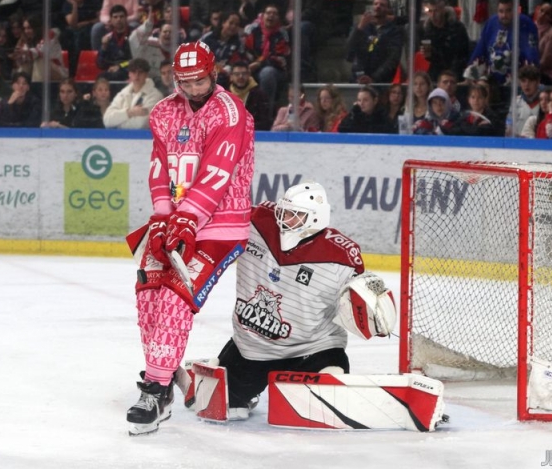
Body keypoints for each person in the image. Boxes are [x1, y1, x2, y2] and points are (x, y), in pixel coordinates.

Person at [126, 40, 255, 436]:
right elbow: (159, 169)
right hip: (178, 220)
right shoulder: (164, 112)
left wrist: (187, 220)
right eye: (185, 82)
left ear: (213, 73)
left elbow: (217, 172)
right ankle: (163, 373)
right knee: (148, 290)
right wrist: (164, 218)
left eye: (199, 80)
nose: (193, 88)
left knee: (175, 296)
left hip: (220, 223)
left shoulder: (231, 112)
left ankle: (155, 389)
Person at [206, 182, 370, 421]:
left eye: (296, 215)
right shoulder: (256, 223)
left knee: (320, 409)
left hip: (311, 349)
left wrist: (372, 308)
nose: (285, 219)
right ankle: (240, 386)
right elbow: (217, 222)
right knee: (221, 408)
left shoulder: (341, 256)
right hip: (252, 348)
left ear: (316, 218)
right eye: (284, 211)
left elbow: (361, 298)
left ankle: (328, 375)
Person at [463, 0, 539, 88]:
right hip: (491, 79)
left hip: (517, 81)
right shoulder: (491, 23)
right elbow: (480, 51)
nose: (504, 15)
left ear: (516, 10)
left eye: (508, 11)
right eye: (501, 11)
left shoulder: (526, 24)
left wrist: (527, 80)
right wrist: (470, 77)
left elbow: (531, 55)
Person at [242, 4, 291, 118]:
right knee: (238, 72)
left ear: (278, 18)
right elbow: (246, 50)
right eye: (269, 13)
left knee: (267, 73)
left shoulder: (282, 34)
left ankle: (264, 114)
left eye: (275, 14)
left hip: (276, 70)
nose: (271, 16)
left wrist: (259, 63)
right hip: (251, 67)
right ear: (262, 16)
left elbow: (279, 58)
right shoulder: (253, 31)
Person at [345, 0, 404, 84]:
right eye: (375, 4)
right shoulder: (361, 27)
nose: (378, 6)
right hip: (357, 79)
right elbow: (349, 51)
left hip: (381, 82)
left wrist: (374, 78)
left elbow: (392, 59)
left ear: (388, 10)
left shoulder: (394, 31)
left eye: (382, 5)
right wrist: (359, 28)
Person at [419, 0, 470, 84]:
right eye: (430, 11)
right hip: (436, 73)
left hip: (456, 72)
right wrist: (428, 54)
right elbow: (432, 60)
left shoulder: (457, 28)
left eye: (436, 11)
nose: (433, 15)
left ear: (443, 10)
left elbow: (462, 55)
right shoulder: (427, 30)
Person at [103, 58, 163, 129]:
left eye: (140, 72)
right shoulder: (122, 94)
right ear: (129, 74)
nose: (137, 75)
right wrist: (130, 112)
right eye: (134, 72)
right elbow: (107, 120)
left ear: (146, 74)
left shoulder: (155, 96)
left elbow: (141, 124)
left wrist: (117, 123)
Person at [12, 15, 68, 83]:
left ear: (36, 27)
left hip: (58, 70)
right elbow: (25, 56)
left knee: (40, 60)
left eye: (29, 28)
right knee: (25, 64)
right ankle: (21, 87)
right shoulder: (26, 39)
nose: (26, 31)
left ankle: (38, 88)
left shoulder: (50, 34)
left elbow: (41, 51)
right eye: (24, 28)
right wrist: (19, 56)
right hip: (38, 70)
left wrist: (26, 52)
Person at [97, 4, 134, 81]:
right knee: (101, 78)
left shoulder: (134, 35)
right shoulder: (108, 38)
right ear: (111, 20)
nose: (118, 19)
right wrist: (104, 47)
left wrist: (120, 66)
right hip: (112, 70)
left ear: (126, 18)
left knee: (118, 75)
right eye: (115, 17)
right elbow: (100, 64)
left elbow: (134, 59)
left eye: (121, 16)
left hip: (128, 70)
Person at [506, 65, 543, 137]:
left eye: (531, 81)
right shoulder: (516, 101)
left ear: (538, 82)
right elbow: (509, 122)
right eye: (523, 81)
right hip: (517, 144)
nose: (527, 85)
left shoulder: (544, 101)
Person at [535, 3, 552, 86]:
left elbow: (545, 62)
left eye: (547, 14)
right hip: (532, 73)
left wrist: (529, 71)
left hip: (548, 75)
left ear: (551, 18)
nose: (542, 14)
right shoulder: (530, 28)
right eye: (541, 11)